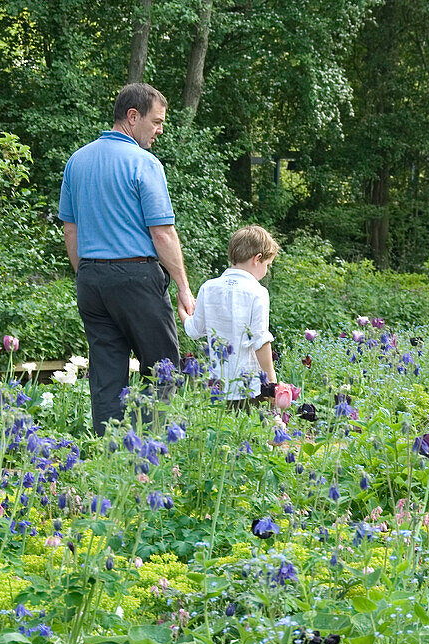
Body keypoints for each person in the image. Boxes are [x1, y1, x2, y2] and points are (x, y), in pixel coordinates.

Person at [58, 83, 195, 435]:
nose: (160, 130)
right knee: (163, 368)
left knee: (106, 376)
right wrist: (183, 287)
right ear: (133, 117)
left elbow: (70, 232)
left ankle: (110, 457)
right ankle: (149, 453)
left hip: (90, 279)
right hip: (137, 278)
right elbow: (162, 234)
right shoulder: (143, 163)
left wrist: (87, 274)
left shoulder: (77, 160)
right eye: (157, 121)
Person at [183, 226, 279, 405]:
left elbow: (195, 330)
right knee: (250, 432)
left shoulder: (208, 287)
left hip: (217, 386)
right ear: (257, 259)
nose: (266, 270)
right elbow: (260, 341)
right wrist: (272, 385)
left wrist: (182, 309)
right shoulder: (258, 292)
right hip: (249, 387)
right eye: (267, 265)